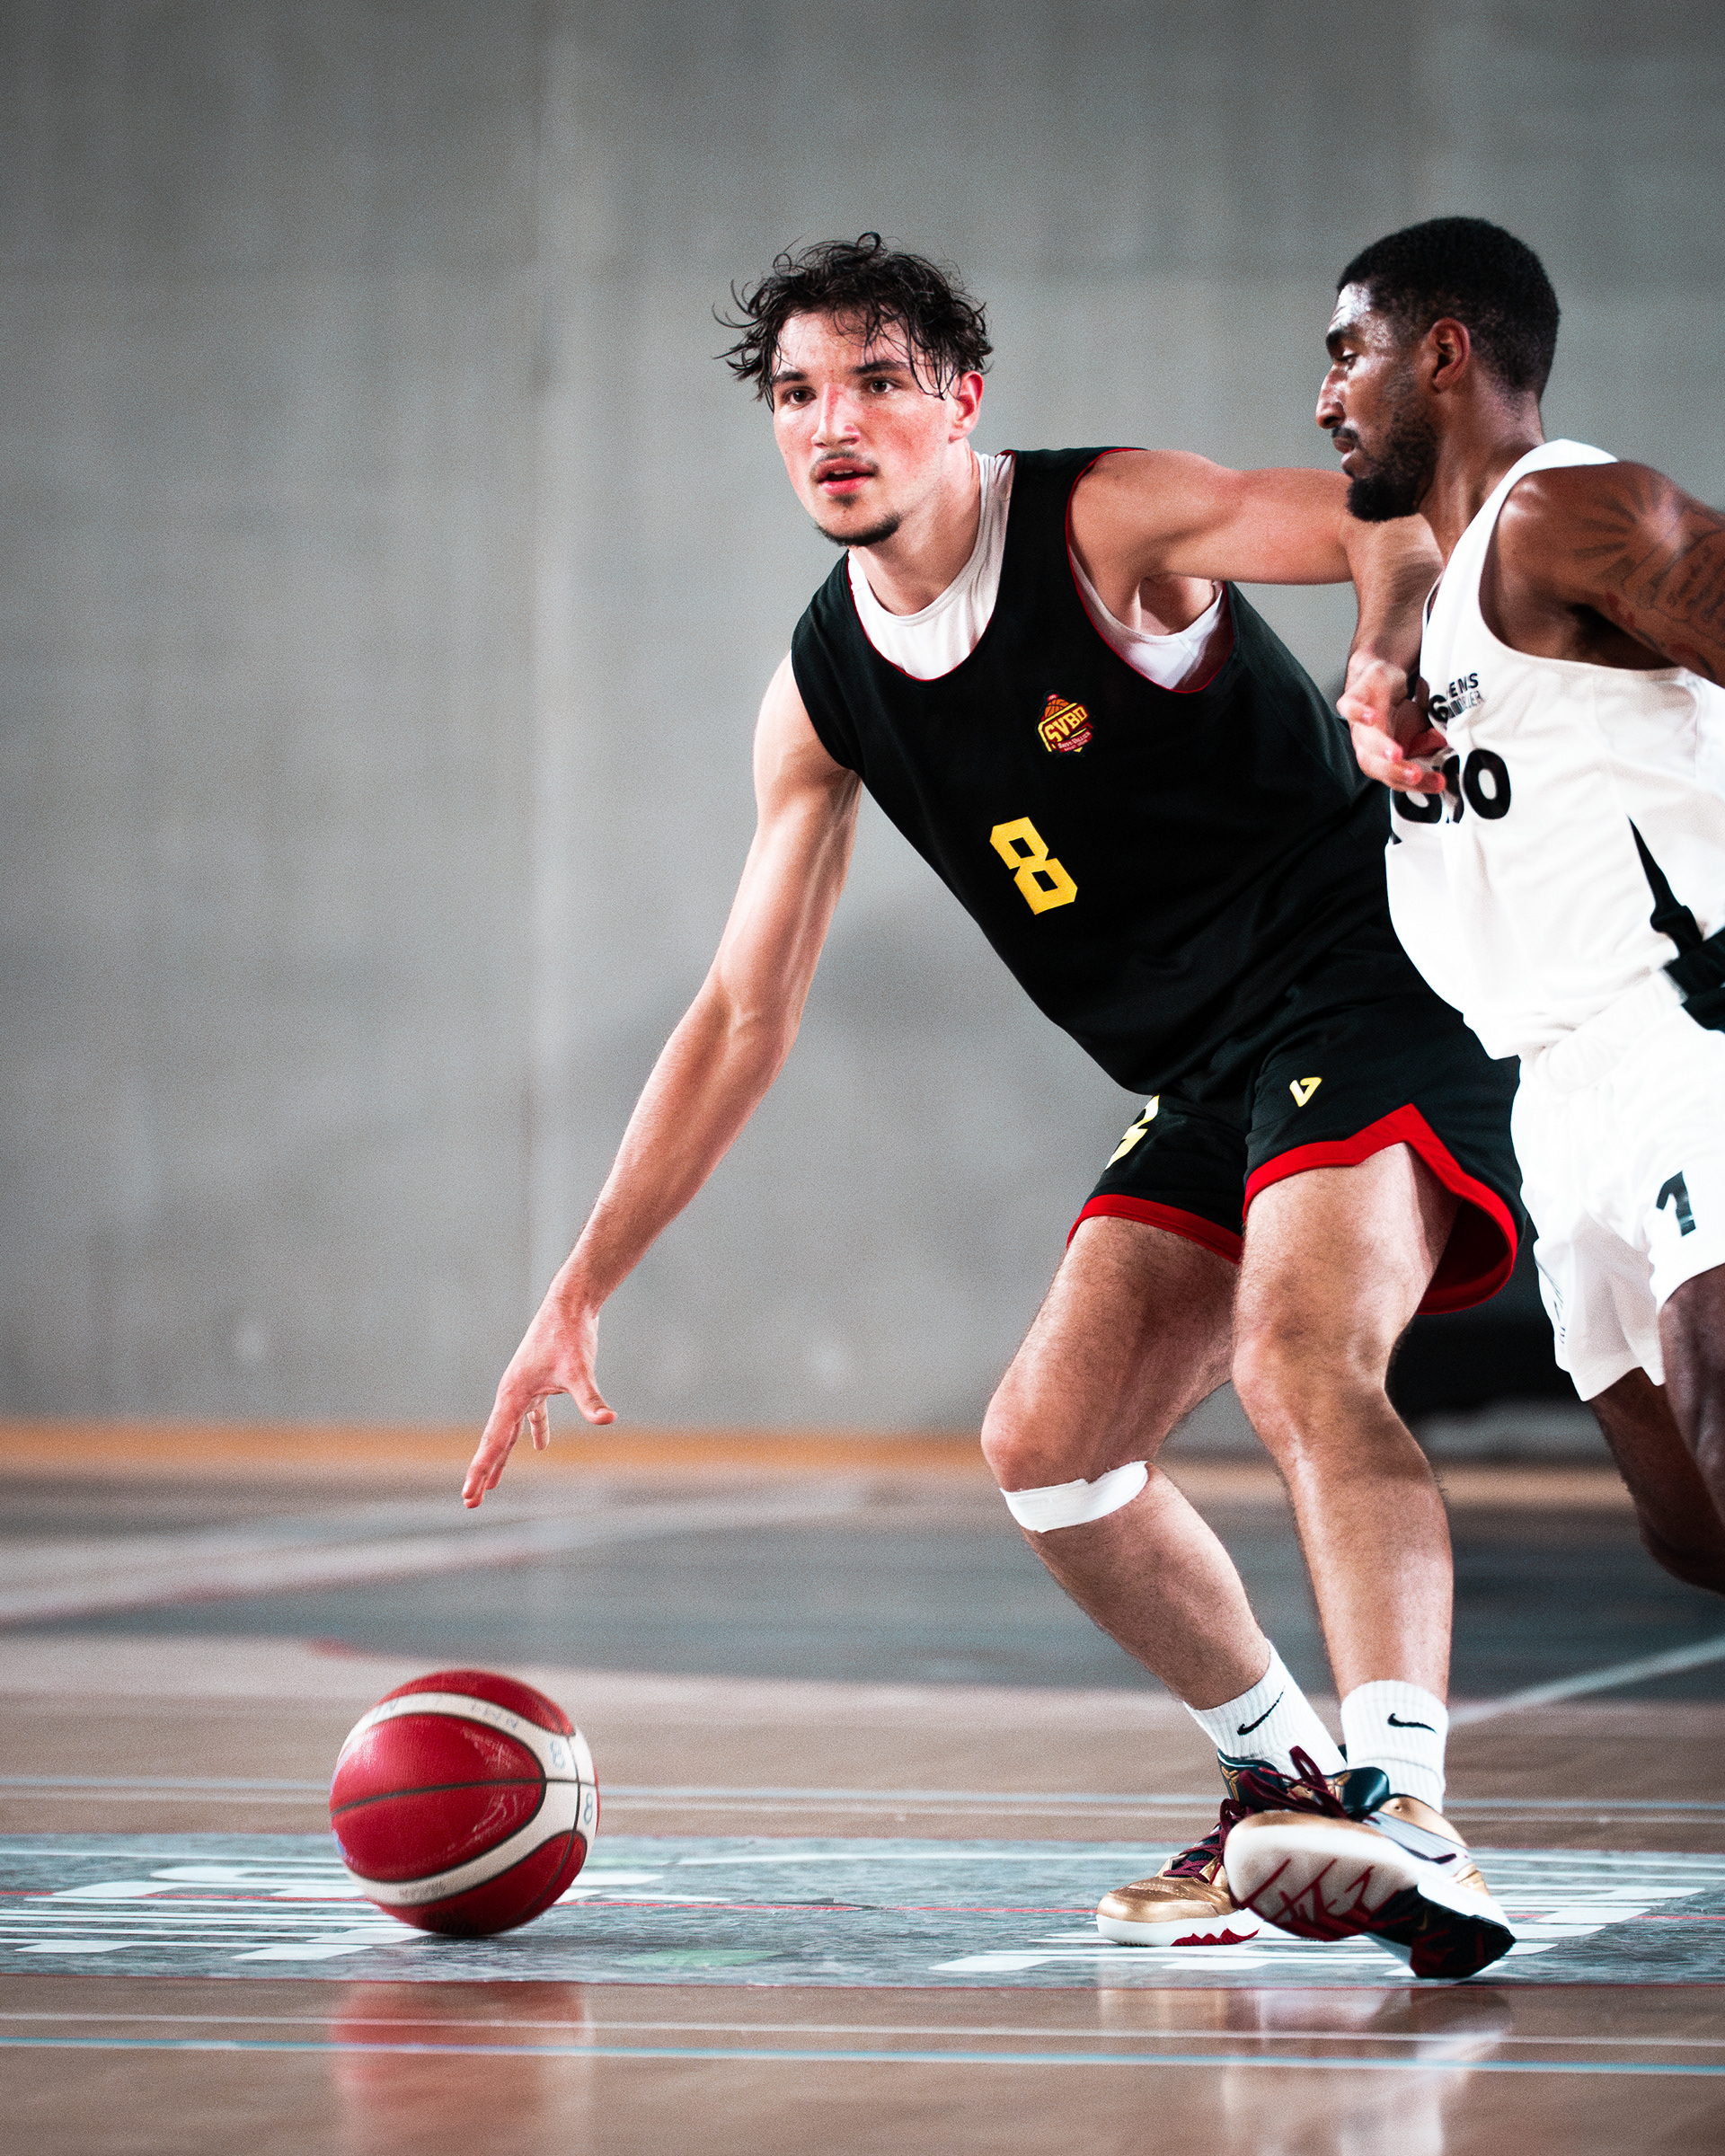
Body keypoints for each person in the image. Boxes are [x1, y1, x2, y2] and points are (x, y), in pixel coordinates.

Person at [464, 236, 1524, 1979]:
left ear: (962, 401)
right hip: (1207, 1063)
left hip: (1377, 968)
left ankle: (1407, 1807)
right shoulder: (826, 686)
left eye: (878, 381)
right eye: (797, 393)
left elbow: (1386, 518)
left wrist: (1384, 653)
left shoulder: (1104, 520)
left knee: (1300, 1357)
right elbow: (741, 1013)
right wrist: (582, 1281)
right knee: (1051, 1445)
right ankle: (1281, 1780)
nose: (834, 423)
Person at [1226, 215, 1725, 1953]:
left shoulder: (1572, 513)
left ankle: (1409, 1816)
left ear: (1444, 351)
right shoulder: (1438, 597)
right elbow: (1388, 559)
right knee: (1693, 1531)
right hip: (1556, 1092)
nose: (1322, 396)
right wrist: (1385, 667)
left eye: (1346, 351)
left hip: (1691, 1030)